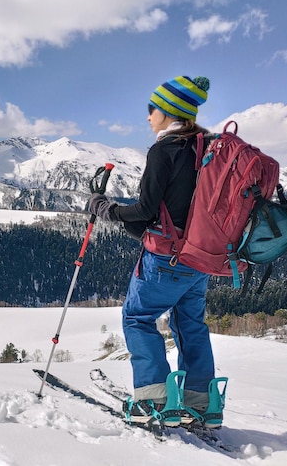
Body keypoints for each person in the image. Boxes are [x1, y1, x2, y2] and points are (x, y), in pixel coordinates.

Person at [87, 75, 217, 426]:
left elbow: (146, 210)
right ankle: (202, 403)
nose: (147, 117)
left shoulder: (165, 149)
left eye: (151, 109)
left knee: (138, 318)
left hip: (166, 258)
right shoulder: (208, 147)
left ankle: (153, 402)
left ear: (168, 111)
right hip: (202, 257)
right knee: (190, 325)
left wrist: (107, 209)